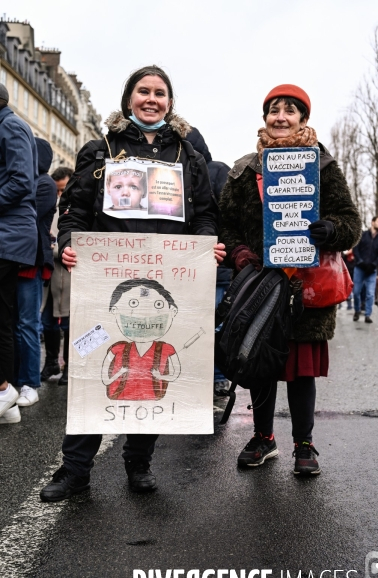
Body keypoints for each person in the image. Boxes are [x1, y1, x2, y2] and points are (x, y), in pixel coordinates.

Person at [40, 65, 223, 502]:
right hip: (107, 286)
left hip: (166, 286)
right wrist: (67, 243)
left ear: (170, 102)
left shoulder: (188, 155)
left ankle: (138, 461)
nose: (152, 99)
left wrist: (204, 249)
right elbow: (76, 211)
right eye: (144, 91)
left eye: (160, 93)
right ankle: (75, 469)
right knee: (89, 366)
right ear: (129, 98)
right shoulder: (99, 149)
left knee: (153, 372)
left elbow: (206, 216)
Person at [219, 84, 361, 476]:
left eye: (290, 111)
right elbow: (225, 223)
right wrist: (240, 252)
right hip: (260, 285)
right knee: (260, 363)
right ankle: (264, 438)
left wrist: (330, 229)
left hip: (307, 288)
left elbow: (352, 223)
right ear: (265, 117)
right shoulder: (245, 168)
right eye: (273, 110)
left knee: (300, 372)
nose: (280, 117)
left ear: (303, 118)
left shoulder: (323, 166)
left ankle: (305, 444)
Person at [0, 83, 38, 419]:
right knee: (5, 317)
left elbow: (21, 181)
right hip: (9, 232)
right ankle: (6, 403)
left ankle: (4, 388)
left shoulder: (9, 125)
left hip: (8, 234)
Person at [185, 126, 232, 398]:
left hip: (212, 264)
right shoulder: (218, 170)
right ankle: (215, 377)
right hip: (214, 264)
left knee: (207, 322)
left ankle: (212, 376)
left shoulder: (213, 171)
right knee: (212, 324)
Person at [14, 138, 57, 407]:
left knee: (27, 324)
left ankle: (30, 382)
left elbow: (26, 213)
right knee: (16, 324)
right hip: (17, 256)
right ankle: (16, 379)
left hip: (30, 259)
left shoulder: (44, 183)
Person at [40, 167, 73, 386]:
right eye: (58, 191)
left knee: (70, 323)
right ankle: (52, 362)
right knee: (48, 322)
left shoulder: (76, 209)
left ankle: (70, 366)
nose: (60, 195)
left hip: (69, 277)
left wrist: (54, 247)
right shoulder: (51, 207)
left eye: (63, 190)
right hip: (49, 276)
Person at [353, 216, 378, 324]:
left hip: (372, 270)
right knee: (356, 292)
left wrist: (374, 264)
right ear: (372, 222)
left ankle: (367, 315)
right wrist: (360, 262)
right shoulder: (362, 235)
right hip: (359, 268)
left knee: (370, 294)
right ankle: (357, 311)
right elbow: (355, 249)